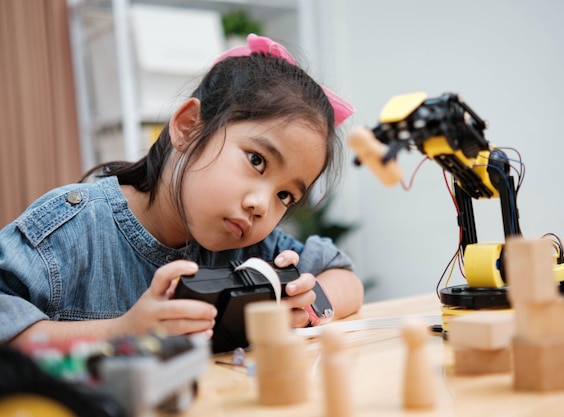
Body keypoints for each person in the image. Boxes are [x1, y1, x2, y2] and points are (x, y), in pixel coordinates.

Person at [0, 34, 364, 347]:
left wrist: (303, 303)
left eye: (285, 196)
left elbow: (345, 277)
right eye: (256, 160)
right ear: (188, 127)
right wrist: (121, 331)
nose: (260, 207)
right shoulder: (73, 230)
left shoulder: (252, 248)